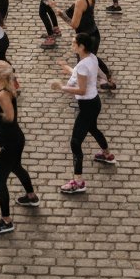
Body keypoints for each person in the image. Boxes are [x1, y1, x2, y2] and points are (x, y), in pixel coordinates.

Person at [52, 32, 115, 194]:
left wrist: (61, 87)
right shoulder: (91, 58)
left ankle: (78, 182)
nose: (72, 45)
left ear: (82, 46)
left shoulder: (82, 64)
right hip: (94, 102)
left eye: (74, 43)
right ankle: (107, 155)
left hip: (87, 105)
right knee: (93, 128)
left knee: (75, 142)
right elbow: (86, 75)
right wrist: (67, 68)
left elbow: (80, 88)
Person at [0, 60, 39, 234]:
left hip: (10, 142)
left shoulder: (2, 94)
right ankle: (31, 197)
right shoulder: (7, 88)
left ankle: (6, 221)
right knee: (16, 167)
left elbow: (9, 117)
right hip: (15, 139)